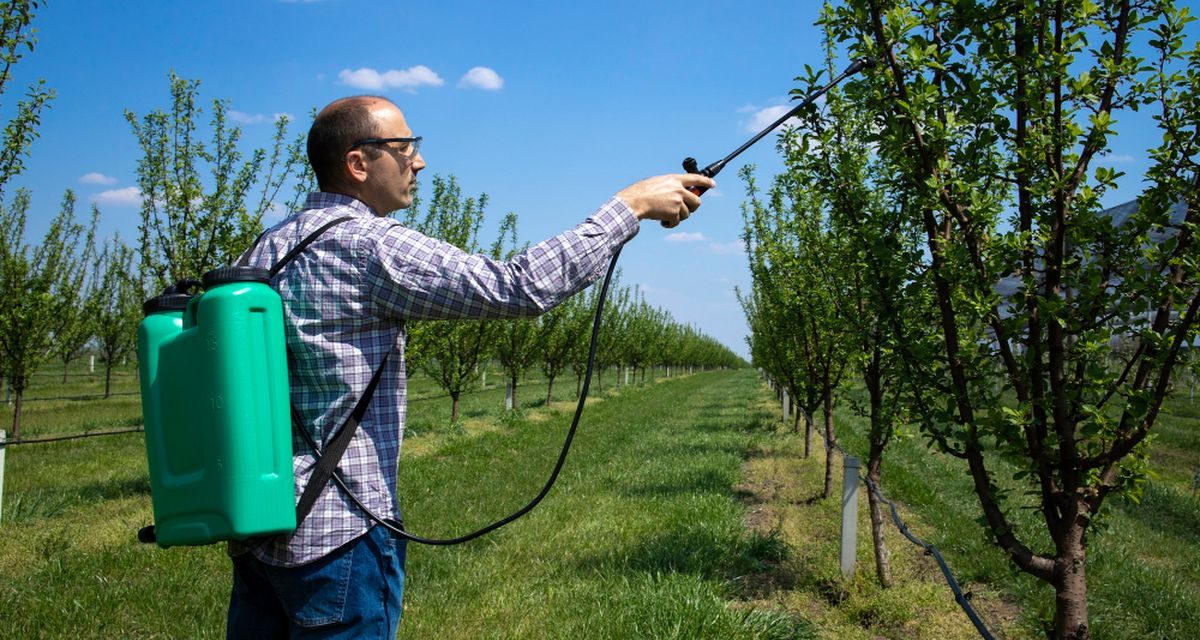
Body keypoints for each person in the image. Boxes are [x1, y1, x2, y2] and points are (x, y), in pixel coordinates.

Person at [225, 95, 714, 639]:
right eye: (404, 147)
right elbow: (517, 287)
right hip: (340, 533)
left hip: (263, 522)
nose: (419, 161)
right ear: (359, 163)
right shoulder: (364, 245)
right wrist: (628, 207)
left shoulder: (268, 248)